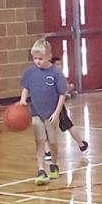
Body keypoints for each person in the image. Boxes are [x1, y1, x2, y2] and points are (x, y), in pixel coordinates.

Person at [20, 39, 68, 186]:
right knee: (39, 142)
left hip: (51, 114)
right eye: (35, 58)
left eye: (40, 58)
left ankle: (54, 164)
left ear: (49, 56)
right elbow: (26, 88)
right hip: (36, 112)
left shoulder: (56, 73)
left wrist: (57, 112)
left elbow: (62, 94)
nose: (37, 61)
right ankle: (41, 169)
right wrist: (23, 100)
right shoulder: (30, 72)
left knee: (52, 142)